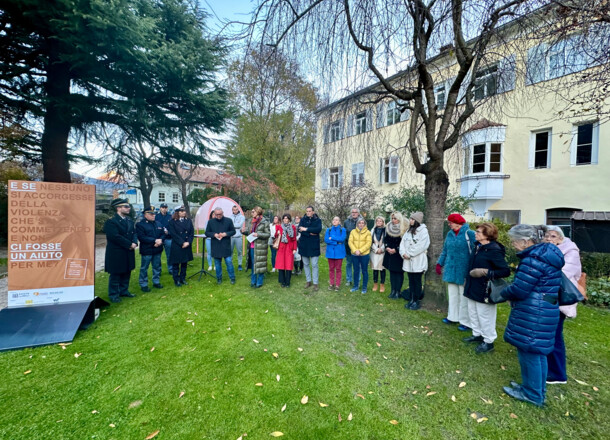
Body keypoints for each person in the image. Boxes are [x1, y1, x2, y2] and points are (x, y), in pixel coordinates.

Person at [498, 224, 563, 407]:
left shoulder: (533, 259)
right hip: (544, 309)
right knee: (537, 353)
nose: (513, 244)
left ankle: (533, 394)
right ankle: (533, 389)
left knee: (530, 353)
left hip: (534, 312)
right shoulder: (546, 254)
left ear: (526, 241)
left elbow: (520, 288)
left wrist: (503, 292)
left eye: (514, 241)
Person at [462, 222, 510, 353]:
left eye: (478, 232)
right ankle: (477, 334)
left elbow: (505, 271)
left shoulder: (494, 250)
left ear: (487, 235)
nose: (475, 233)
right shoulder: (478, 246)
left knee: (485, 315)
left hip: (485, 288)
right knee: (473, 312)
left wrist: (485, 272)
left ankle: (488, 341)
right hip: (473, 285)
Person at [544, 225, 582, 384]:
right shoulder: (548, 249)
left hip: (560, 299)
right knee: (548, 333)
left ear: (561, 238)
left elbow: (562, 274)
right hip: (549, 296)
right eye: (547, 235)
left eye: (553, 236)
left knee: (555, 335)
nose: (548, 239)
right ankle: (548, 367)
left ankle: (558, 374)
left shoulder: (571, 252)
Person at [437, 213, 476, 331]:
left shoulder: (469, 233)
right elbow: (445, 250)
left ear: (458, 223)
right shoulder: (449, 234)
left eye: (450, 222)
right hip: (450, 268)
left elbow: (475, 251)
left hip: (464, 269)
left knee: (463, 296)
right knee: (453, 294)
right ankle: (452, 316)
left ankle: (465, 321)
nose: (449, 225)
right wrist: (440, 263)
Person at [103, 198, 138, 303]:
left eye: (129, 206)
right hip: (117, 252)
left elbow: (134, 233)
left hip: (128, 251)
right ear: (118, 208)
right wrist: (129, 244)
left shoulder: (129, 220)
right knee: (116, 274)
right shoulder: (111, 221)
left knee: (127, 271)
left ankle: (124, 291)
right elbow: (114, 236)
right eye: (126, 207)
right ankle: (113, 294)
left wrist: (135, 242)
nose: (129, 208)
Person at [400, 212, 430, 310]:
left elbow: (421, 246)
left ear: (417, 220)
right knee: (411, 281)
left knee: (417, 282)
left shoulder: (423, 231)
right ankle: (411, 299)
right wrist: (403, 253)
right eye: (410, 219)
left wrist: (409, 254)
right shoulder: (408, 231)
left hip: (418, 261)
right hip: (408, 262)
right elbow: (402, 243)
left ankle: (416, 301)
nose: (410, 221)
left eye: (412, 219)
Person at [136, 206, 165, 292]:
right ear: (145, 215)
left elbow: (163, 234)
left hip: (157, 249)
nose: (153, 215)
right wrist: (155, 241)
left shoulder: (158, 223)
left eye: (154, 214)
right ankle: (143, 284)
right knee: (144, 268)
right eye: (151, 214)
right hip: (147, 250)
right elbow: (142, 237)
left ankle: (156, 282)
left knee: (156, 267)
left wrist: (160, 240)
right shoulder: (140, 224)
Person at [205, 207, 236, 285]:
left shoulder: (228, 221)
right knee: (217, 264)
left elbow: (233, 231)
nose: (218, 216)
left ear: (223, 213)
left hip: (225, 245)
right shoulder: (211, 222)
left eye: (220, 214)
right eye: (216, 214)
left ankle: (232, 278)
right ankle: (219, 278)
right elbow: (207, 232)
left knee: (229, 262)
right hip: (216, 245)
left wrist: (226, 234)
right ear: (214, 214)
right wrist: (214, 234)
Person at [168, 206, 194, 287]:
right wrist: (182, 243)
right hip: (177, 245)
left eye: (184, 211)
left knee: (184, 263)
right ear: (177, 212)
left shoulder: (188, 220)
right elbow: (173, 234)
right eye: (181, 211)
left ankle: (182, 278)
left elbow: (191, 233)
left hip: (186, 244)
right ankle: (176, 280)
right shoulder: (172, 221)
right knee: (176, 264)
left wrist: (188, 242)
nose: (183, 212)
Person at [383, 212, 407, 300]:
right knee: (392, 273)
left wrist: (396, 249)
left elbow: (404, 242)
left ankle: (398, 291)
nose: (393, 220)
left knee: (399, 273)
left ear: (399, 219)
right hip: (390, 253)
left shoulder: (404, 228)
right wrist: (387, 247)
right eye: (392, 218)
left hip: (398, 254)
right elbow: (385, 239)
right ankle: (393, 290)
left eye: (395, 218)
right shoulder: (388, 227)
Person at [298, 206, 322, 291]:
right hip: (304, 245)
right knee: (306, 264)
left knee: (314, 265)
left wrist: (306, 229)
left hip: (314, 245)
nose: (308, 212)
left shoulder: (317, 220)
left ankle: (315, 283)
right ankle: (308, 281)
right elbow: (299, 229)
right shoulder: (303, 219)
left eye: (310, 211)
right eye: (307, 211)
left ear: (313, 212)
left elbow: (318, 229)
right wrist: (310, 233)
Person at [247, 206, 270, 288]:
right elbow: (249, 232)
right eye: (252, 211)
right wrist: (243, 231)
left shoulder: (264, 222)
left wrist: (258, 234)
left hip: (260, 247)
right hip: (252, 246)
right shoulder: (251, 221)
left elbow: (268, 234)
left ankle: (259, 282)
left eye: (253, 211)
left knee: (260, 265)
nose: (252, 213)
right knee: (253, 264)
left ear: (258, 212)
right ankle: (253, 281)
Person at [349, 218, 372, 294]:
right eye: (359, 223)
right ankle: (356, 286)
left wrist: (360, 251)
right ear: (357, 224)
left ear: (365, 224)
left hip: (364, 255)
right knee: (356, 270)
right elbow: (350, 242)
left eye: (362, 223)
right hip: (354, 254)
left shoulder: (368, 232)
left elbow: (368, 243)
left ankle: (364, 287)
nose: (361, 224)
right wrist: (355, 250)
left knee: (364, 271)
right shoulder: (353, 231)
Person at [274, 214, 298, 287]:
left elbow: (294, 239)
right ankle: (282, 281)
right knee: (281, 265)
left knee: (288, 265)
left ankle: (288, 282)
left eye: (287, 218)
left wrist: (294, 248)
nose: (285, 220)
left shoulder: (293, 227)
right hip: (281, 247)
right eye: (284, 218)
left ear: (289, 219)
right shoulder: (279, 227)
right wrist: (277, 233)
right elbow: (275, 236)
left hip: (289, 248)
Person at [324, 216, 346, 291]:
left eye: (336, 220)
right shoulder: (328, 230)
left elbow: (342, 239)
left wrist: (332, 238)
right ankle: (331, 283)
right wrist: (337, 242)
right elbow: (326, 240)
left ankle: (337, 285)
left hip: (339, 253)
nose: (334, 221)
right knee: (331, 269)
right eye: (333, 220)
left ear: (339, 222)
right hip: (330, 252)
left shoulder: (342, 230)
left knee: (338, 269)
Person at [344, 208, 363, 286]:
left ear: (358, 213)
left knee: (358, 264)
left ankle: (357, 280)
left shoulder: (362, 222)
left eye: (355, 212)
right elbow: (345, 234)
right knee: (349, 263)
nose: (354, 213)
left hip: (359, 247)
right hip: (349, 246)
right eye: (352, 212)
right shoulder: (346, 222)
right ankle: (349, 279)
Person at [155, 203, 173, 276]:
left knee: (169, 255)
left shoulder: (170, 217)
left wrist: (168, 232)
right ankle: (158, 270)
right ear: (160, 208)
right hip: (159, 238)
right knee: (158, 256)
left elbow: (173, 227)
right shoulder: (156, 217)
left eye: (165, 207)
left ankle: (171, 269)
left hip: (168, 238)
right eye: (163, 207)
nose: (164, 209)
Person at [370, 216, 386, 293]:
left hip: (382, 252)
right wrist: (376, 249)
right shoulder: (372, 230)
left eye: (380, 221)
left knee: (382, 269)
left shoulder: (386, 231)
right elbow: (370, 241)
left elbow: (386, 241)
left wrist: (382, 249)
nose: (379, 222)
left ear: (383, 222)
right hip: (374, 252)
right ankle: (375, 284)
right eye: (377, 221)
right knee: (375, 269)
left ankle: (382, 284)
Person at [230, 205, 246, 271]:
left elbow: (239, 225)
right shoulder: (230, 217)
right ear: (232, 210)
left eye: (236, 209)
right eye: (233, 210)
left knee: (239, 251)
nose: (235, 211)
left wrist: (233, 225)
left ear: (238, 210)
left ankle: (240, 264)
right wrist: (235, 225)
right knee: (230, 251)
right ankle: (230, 264)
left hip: (238, 236)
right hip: (231, 236)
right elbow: (230, 225)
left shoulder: (242, 217)